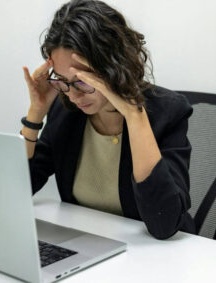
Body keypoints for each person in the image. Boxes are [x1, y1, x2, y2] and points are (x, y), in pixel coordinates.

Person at [20, 0, 196, 240]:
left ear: (113, 67)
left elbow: (163, 224)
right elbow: (17, 189)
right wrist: (36, 113)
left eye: (82, 80)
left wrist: (134, 116)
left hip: (157, 258)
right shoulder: (67, 112)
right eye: (61, 80)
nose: (72, 94)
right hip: (90, 246)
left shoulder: (167, 112)